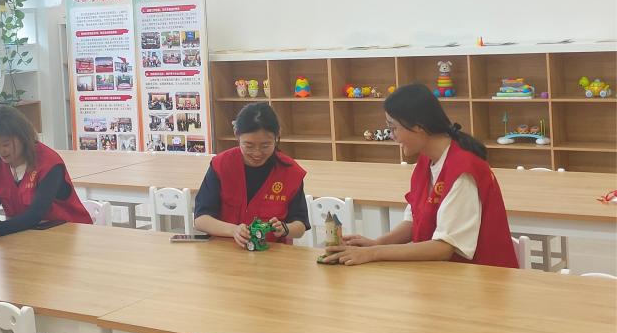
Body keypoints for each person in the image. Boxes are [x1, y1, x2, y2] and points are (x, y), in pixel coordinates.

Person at [321, 84, 518, 267]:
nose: (392, 136)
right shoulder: (426, 160)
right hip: (444, 274)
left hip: (483, 278)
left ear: (418, 126)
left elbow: (444, 247)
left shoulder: (463, 169)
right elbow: (414, 221)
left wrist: (374, 253)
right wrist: (376, 243)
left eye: (394, 128)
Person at [0, 104, 91, 243]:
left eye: (5, 144)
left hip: (68, 237)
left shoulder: (49, 163)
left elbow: (35, 214)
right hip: (27, 236)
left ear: (23, 137)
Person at [194, 102, 310, 246]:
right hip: (225, 249)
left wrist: (285, 229)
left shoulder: (291, 172)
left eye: (265, 146)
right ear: (237, 135)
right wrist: (233, 230)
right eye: (248, 145)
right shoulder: (221, 165)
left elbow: (300, 225)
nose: (257, 153)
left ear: (277, 135)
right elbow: (201, 219)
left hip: (271, 252)